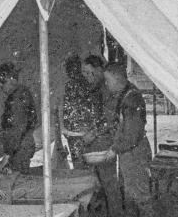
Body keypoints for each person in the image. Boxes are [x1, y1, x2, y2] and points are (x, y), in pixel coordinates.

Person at [101, 62, 153, 217]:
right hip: (129, 153)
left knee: (140, 196)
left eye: (107, 80)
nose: (106, 84)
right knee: (131, 194)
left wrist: (114, 149)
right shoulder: (125, 95)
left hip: (134, 153)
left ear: (117, 79)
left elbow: (132, 134)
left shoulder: (131, 99)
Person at [79, 55, 123, 217]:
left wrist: (94, 132)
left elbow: (111, 119)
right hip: (97, 141)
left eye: (88, 72)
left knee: (110, 185)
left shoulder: (107, 89)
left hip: (105, 142)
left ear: (98, 70)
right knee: (100, 186)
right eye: (83, 73)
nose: (86, 77)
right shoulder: (97, 87)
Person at [0, 62, 38, 174]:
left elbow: (17, 129)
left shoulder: (17, 98)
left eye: (3, 81)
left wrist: (6, 157)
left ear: (12, 79)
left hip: (18, 150)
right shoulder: (22, 93)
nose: (0, 85)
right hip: (22, 147)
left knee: (17, 182)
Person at [61, 55, 104, 163]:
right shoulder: (88, 83)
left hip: (84, 134)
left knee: (82, 165)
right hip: (83, 133)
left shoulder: (86, 84)